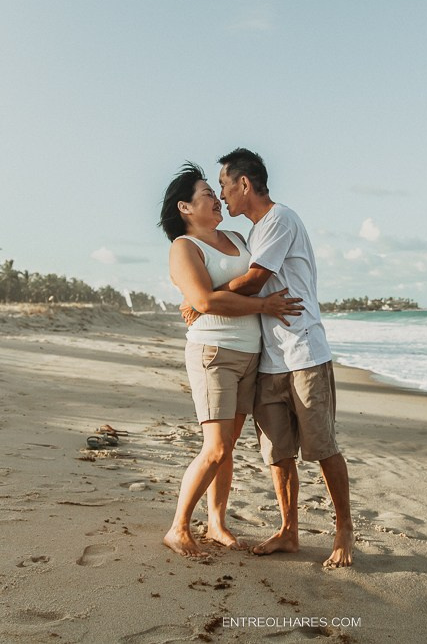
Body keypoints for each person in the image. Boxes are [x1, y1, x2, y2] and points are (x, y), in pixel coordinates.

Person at [190, 148, 354, 568]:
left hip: (304, 353)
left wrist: (205, 300)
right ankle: (289, 532)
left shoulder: (280, 219)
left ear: (245, 184)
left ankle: (344, 534)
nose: (223, 196)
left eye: (225, 186)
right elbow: (242, 279)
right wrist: (203, 298)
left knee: (323, 447)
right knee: (278, 455)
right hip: (269, 361)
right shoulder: (251, 234)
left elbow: (256, 279)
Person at [158, 162, 303, 558]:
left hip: (251, 352)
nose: (217, 198)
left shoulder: (239, 237)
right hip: (214, 353)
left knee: (229, 445)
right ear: (186, 208)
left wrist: (254, 302)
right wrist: (261, 305)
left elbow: (256, 275)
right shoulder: (184, 247)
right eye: (207, 193)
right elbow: (204, 302)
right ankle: (178, 527)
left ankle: (216, 522)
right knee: (216, 447)